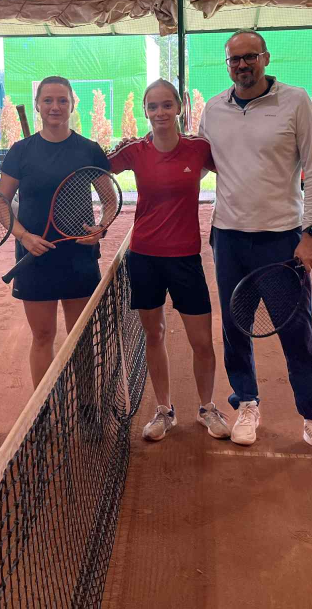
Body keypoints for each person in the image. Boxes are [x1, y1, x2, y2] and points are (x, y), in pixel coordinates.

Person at [199, 30, 312, 463]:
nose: (242, 65)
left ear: (265, 58)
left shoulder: (295, 102)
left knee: (298, 334)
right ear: (227, 65)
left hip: (282, 239)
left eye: (250, 56)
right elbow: (197, 162)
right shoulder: (213, 109)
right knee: (235, 328)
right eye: (234, 59)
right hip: (228, 237)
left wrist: (311, 232)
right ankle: (246, 404)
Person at [107, 80, 230, 441]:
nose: (159, 112)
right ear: (145, 111)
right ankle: (164, 411)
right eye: (152, 106)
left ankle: (207, 408)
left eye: (166, 105)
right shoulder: (134, 151)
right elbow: (95, 168)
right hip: (144, 257)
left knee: (202, 341)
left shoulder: (199, 149)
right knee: (154, 333)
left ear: (179, 108)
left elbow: (237, 168)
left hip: (185, 259)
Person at [0, 76, 112, 388]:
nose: (55, 106)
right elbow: (0, 204)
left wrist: (100, 228)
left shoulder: (89, 150)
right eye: (48, 100)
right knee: (43, 336)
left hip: (79, 256)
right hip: (34, 258)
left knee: (81, 337)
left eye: (62, 100)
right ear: (37, 105)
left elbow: (110, 200)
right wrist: (24, 236)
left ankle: (86, 404)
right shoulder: (20, 151)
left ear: (72, 105)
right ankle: (44, 409)